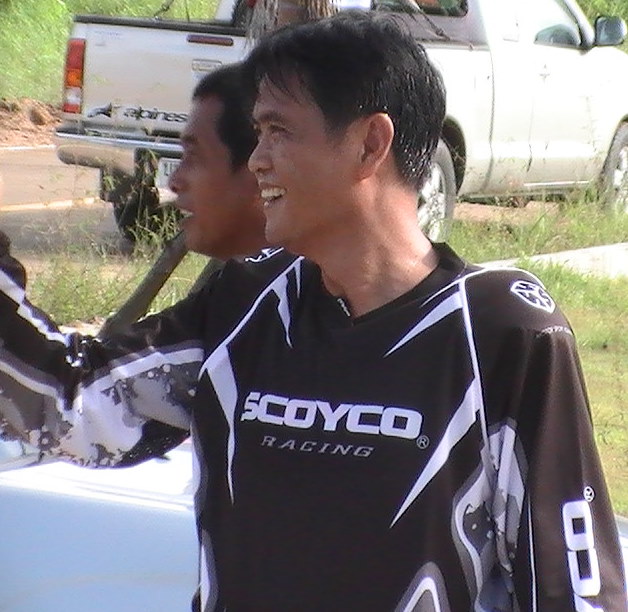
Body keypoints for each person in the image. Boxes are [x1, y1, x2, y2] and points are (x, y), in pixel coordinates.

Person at [0, 11, 626, 611]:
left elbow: (574, 589)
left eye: (279, 131)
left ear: (370, 144)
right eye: (257, 133)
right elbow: (71, 407)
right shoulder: (247, 301)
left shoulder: (500, 329)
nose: (257, 159)